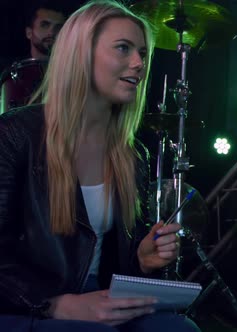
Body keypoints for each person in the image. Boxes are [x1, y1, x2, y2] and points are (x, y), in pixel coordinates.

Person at [0, 1, 200, 331]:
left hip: (98, 302)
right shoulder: (14, 135)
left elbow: (115, 266)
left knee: (179, 328)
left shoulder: (133, 155)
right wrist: (54, 305)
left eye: (142, 53)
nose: (138, 63)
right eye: (123, 48)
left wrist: (143, 260)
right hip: (27, 306)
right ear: (81, 54)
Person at [0, 1, 67, 113]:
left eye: (58, 27)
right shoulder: (9, 72)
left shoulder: (72, 70)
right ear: (29, 33)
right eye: (45, 25)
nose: (52, 32)